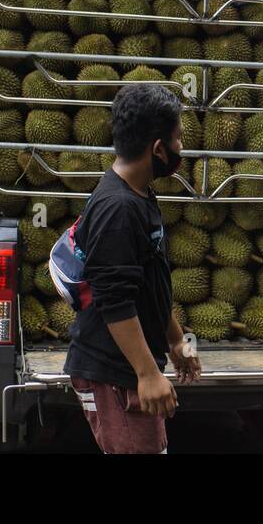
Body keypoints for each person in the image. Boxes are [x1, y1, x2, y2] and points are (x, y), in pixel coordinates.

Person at [64, 84, 201, 454]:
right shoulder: (118, 209)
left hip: (125, 368)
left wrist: (175, 340)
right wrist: (147, 373)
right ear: (158, 149)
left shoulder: (140, 194)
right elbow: (116, 302)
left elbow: (150, 284)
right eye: (178, 140)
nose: (181, 150)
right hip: (113, 372)